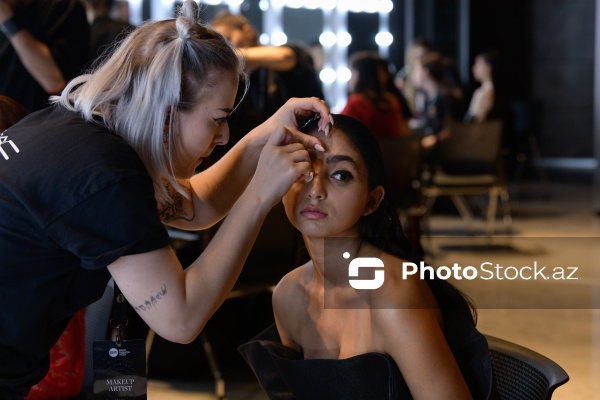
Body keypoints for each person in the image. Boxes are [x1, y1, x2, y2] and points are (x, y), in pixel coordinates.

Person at [0, 0, 333, 397]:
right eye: (217, 119)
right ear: (167, 113)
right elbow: (181, 318)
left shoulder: (73, 133)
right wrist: (259, 196)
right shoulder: (102, 175)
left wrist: (263, 135)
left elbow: (194, 207)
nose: (224, 135)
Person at [239, 114, 495, 399]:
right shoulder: (289, 294)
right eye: (303, 169)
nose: (315, 190)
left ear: (372, 200)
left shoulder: (393, 295)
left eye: (340, 175)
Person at [0, 0, 90, 112]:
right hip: (7, 123)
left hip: (45, 121)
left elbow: (54, 82)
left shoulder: (64, 8)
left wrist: (9, 21)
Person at [341, 51, 411, 138]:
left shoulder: (356, 103)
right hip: (393, 151)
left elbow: (339, 129)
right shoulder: (392, 101)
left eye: (352, 71)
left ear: (359, 74)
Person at [464, 50, 509, 123]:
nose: (474, 68)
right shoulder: (503, 93)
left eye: (478, 64)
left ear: (489, 67)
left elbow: (472, 123)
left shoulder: (482, 93)